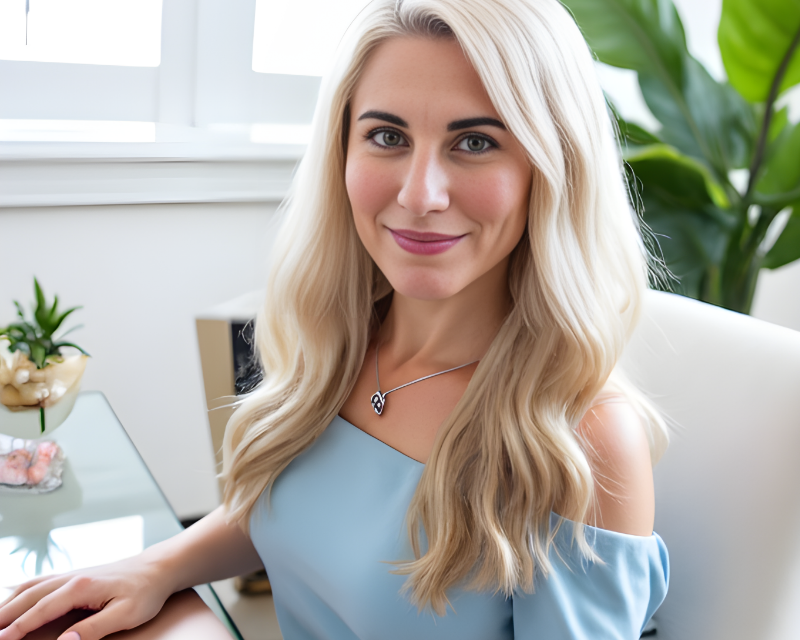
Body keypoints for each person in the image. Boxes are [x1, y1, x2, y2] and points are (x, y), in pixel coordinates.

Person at [0, 0, 671, 638]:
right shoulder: (345, 335)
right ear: (342, 152)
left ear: (552, 169)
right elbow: (299, 506)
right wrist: (157, 565)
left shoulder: (582, 438)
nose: (419, 194)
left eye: (473, 142)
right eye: (387, 136)